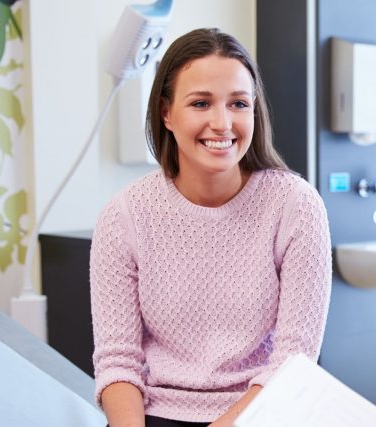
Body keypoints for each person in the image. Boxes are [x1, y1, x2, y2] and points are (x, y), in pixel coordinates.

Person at [90, 28, 332, 427]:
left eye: (238, 103)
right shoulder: (124, 217)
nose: (222, 123)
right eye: (201, 103)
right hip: (155, 413)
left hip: (263, 409)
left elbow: (294, 362)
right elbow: (118, 361)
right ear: (166, 112)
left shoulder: (296, 207)